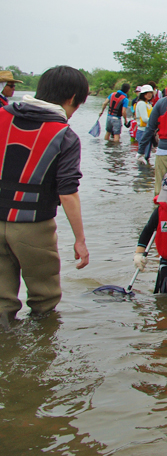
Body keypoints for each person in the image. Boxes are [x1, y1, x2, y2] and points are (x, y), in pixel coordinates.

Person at [0, 65, 90, 322]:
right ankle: (42, 354)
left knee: (1, 303)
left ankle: (7, 352)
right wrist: (80, 240)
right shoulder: (65, 136)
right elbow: (67, 192)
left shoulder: (1, 116)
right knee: (44, 300)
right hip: (33, 227)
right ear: (72, 99)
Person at [134, 85, 154, 164]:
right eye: (146, 93)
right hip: (143, 131)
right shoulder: (142, 104)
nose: (149, 95)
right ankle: (143, 172)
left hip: (147, 130)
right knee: (144, 154)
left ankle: (145, 172)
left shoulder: (147, 103)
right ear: (143, 94)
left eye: (150, 93)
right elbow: (145, 119)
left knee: (147, 154)